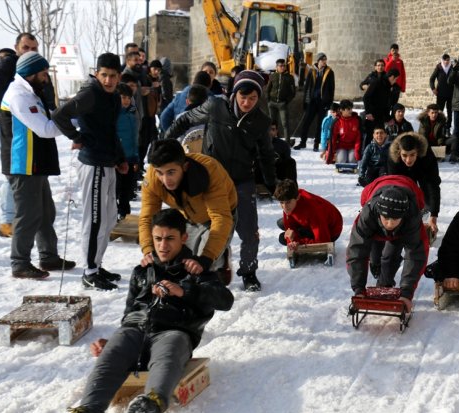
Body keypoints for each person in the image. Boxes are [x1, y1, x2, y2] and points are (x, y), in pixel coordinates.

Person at [38, 209, 234, 413]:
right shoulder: (142, 271)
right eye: (158, 238)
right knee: (113, 351)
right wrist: (110, 341)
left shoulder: (196, 271)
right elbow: (129, 313)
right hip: (135, 330)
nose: (162, 245)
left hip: (175, 331)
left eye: (170, 238)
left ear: (183, 238)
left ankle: (150, 408)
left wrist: (183, 291)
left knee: (169, 349)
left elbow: (225, 300)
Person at [163, 70, 275, 292]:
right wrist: (165, 144)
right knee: (210, 227)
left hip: (242, 180)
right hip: (212, 180)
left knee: (249, 230)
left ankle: (249, 271)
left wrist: (273, 184)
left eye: (253, 99)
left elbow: (266, 155)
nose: (247, 102)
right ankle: (208, 267)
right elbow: (186, 118)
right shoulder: (216, 107)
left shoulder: (261, 121)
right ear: (235, 94)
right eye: (243, 97)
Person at [52, 53, 128, 290]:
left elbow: (110, 131)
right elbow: (59, 115)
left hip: (108, 163)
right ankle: (89, 271)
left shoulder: (114, 98)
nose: (108, 80)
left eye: (113, 76)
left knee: (108, 218)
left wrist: (120, 158)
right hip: (93, 164)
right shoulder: (90, 94)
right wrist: (77, 137)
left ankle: (97, 263)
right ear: (97, 73)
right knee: (94, 220)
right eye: (104, 75)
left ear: (119, 76)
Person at [1, 52, 75, 279]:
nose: (46, 76)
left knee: (45, 212)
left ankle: (48, 256)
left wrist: (76, 119)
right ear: (31, 72)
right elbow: (46, 128)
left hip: (36, 162)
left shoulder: (33, 92)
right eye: (43, 72)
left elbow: (53, 117)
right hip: (23, 164)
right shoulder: (19, 96)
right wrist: (72, 125)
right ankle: (20, 262)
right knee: (28, 215)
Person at [139, 139, 236, 281]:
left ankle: (220, 261)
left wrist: (207, 258)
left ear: (184, 166)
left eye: (171, 172)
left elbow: (221, 217)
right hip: (189, 216)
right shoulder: (152, 178)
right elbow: (147, 218)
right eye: (160, 172)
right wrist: (148, 250)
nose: (165, 180)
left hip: (222, 213)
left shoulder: (210, 170)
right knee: (182, 259)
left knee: (202, 264)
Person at [346, 175, 429, 311]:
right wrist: (358, 289)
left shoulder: (412, 217)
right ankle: (377, 268)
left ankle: (385, 283)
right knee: (374, 258)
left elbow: (416, 255)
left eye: (395, 219)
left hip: (401, 229)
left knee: (390, 257)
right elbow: (357, 250)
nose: (390, 223)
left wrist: (406, 294)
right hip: (375, 219)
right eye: (386, 218)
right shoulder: (367, 215)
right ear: (379, 213)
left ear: (403, 216)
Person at [0, 33, 39, 238]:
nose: (29, 51)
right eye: (26, 47)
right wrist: (10, 116)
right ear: (16, 47)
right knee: (12, 173)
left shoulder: (35, 67)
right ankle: (7, 219)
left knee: (21, 173)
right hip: (5, 126)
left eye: (33, 48)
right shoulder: (7, 63)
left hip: (25, 127)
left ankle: (17, 215)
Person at [387, 132, 442, 235]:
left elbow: (433, 185)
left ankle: (426, 212)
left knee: (427, 189)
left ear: (418, 151)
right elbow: (394, 188)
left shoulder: (427, 155)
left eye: (412, 155)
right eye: (404, 155)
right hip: (402, 172)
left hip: (422, 168)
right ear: (399, 152)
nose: (408, 160)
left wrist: (433, 216)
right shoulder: (393, 158)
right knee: (403, 191)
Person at [273, 179, 343, 249]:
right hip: (309, 219)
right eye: (281, 202)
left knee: (282, 238)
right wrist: (291, 240)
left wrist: (299, 242)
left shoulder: (313, 210)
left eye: (288, 202)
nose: (284, 207)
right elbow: (289, 226)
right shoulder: (290, 200)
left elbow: (323, 241)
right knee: (281, 225)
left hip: (331, 231)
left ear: (297, 197)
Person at [295, 53, 335, 151]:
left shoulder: (329, 72)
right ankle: (302, 142)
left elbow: (331, 89)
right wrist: (306, 101)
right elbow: (307, 87)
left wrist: (329, 103)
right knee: (306, 122)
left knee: (320, 124)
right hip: (312, 102)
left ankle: (316, 144)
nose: (324, 62)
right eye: (322, 60)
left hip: (323, 102)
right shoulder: (312, 70)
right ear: (318, 61)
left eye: (325, 60)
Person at [116, 83, 139, 221]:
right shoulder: (113, 115)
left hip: (130, 157)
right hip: (118, 158)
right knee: (115, 190)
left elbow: (134, 137)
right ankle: (114, 214)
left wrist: (136, 157)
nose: (126, 100)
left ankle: (125, 214)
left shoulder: (131, 114)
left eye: (128, 98)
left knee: (127, 189)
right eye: (122, 97)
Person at [265, 58, 296, 143]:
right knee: (272, 124)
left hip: (282, 104)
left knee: (285, 124)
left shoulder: (289, 77)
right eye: (280, 66)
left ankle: (287, 142)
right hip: (272, 103)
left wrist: (286, 101)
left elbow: (293, 92)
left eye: (284, 65)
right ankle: (272, 140)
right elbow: (268, 89)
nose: (282, 67)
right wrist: (268, 100)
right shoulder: (272, 76)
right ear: (277, 67)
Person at [328, 99, 362, 164]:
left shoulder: (357, 120)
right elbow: (333, 139)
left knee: (352, 161)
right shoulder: (337, 121)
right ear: (341, 110)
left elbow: (359, 138)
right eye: (348, 109)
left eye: (351, 109)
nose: (351, 111)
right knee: (341, 161)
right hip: (341, 146)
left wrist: (357, 153)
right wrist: (332, 154)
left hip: (352, 146)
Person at [429, 54, 454, 131]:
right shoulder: (439, 68)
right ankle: (439, 127)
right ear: (442, 60)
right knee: (439, 111)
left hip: (451, 93)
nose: (446, 62)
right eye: (445, 60)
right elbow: (431, 79)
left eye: (448, 60)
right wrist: (433, 88)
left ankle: (448, 127)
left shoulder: (452, 68)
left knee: (450, 111)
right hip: (440, 94)